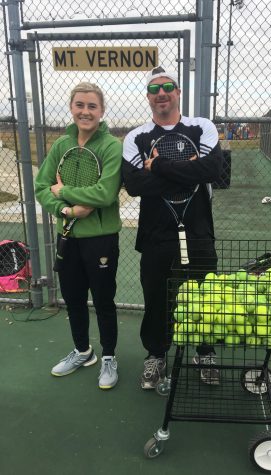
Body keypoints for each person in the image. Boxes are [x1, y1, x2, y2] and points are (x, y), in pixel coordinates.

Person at [122, 66, 223, 390]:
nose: (162, 92)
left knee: (205, 297)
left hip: (198, 231)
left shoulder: (201, 127)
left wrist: (161, 166)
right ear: (149, 97)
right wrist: (187, 170)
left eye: (168, 86)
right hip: (155, 235)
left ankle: (205, 353)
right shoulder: (135, 137)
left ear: (178, 92)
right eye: (155, 89)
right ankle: (156, 355)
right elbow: (136, 185)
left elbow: (212, 169)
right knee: (157, 298)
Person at [35, 82, 122, 390]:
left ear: (101, 111)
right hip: (68, 237)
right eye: (80, 105)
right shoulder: (61, 145)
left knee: (103, 300)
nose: (85, 112)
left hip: (101, 239)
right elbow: (42, 187)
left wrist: (66, 191)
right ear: (72, 108)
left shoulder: (111, 146)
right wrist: (68, 210)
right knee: (73, 298)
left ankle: (109, 357)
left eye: (92, 106)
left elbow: (106, 193)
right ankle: (83, 352)